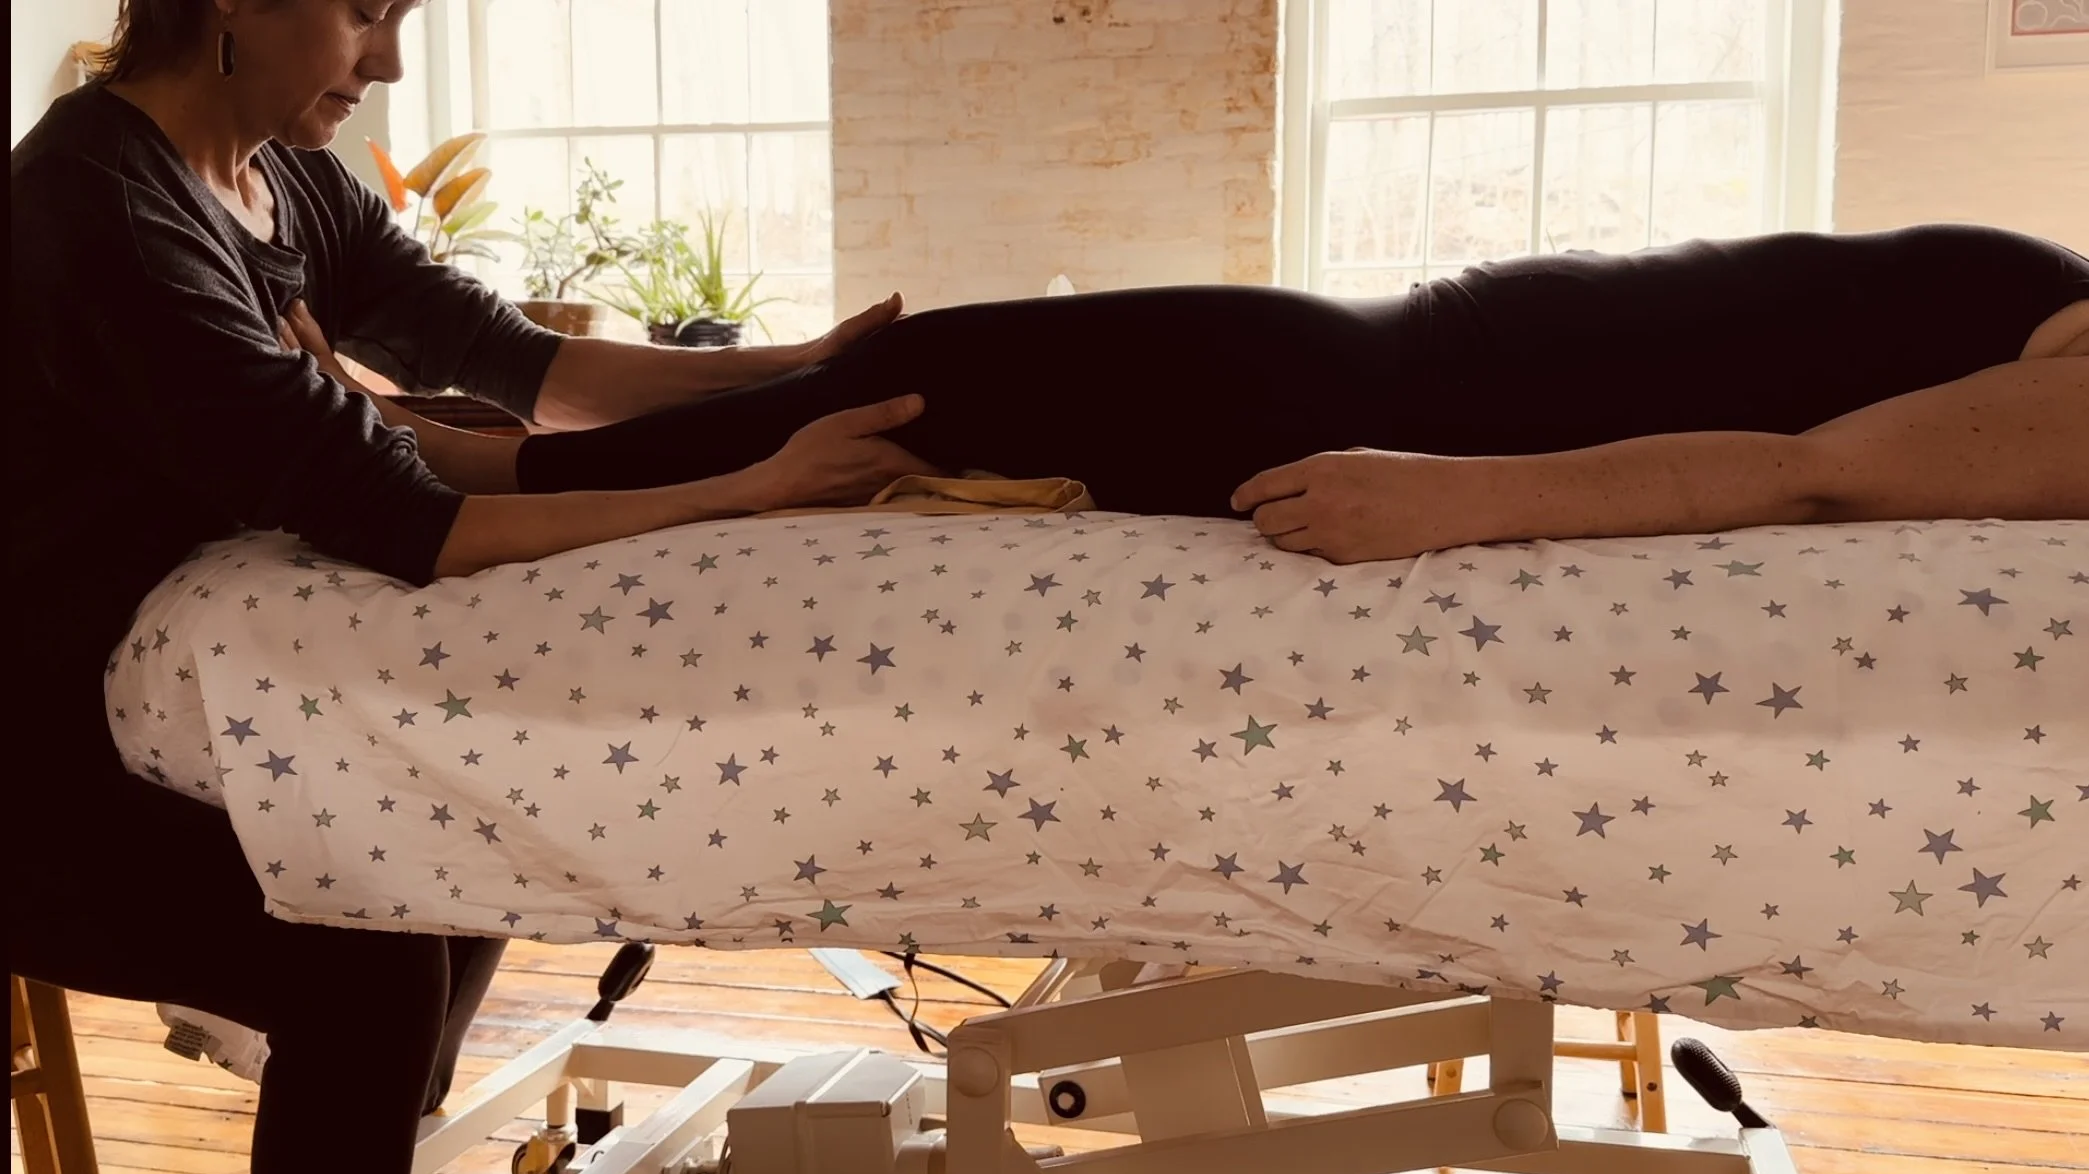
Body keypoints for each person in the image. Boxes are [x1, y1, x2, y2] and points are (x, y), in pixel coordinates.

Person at [8, 1, 923, 1174]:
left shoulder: (284, 175)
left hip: (150, 696)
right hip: (33, 752)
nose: (386, 61)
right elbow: (411, 521)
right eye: (363, 14)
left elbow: (521, 365)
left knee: (456, 814)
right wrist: (743, 489)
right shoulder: (106, 211)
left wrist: (785, 374)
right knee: (367, 951)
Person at [511, 225, 2089, 561]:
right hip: (1362, 347)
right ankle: (487, 457)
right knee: (914, 377)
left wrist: (1469, 495)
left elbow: (1818, 473)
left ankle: (485, 482)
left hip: (1371, 399)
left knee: (918, 389)